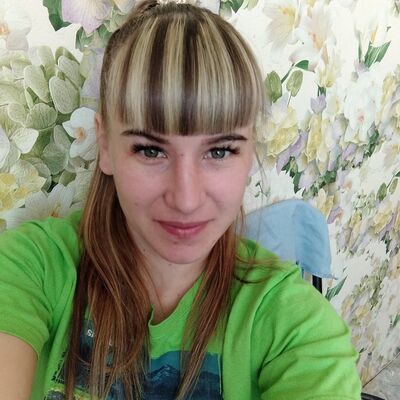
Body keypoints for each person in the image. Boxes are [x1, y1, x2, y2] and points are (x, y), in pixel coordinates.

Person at [0, 1, 362, 399]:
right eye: (150, 150)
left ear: (249, 153)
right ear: (104, 145)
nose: (186, 200)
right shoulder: (30, 267)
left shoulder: (295, 325)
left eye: (219, 151)